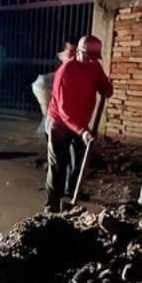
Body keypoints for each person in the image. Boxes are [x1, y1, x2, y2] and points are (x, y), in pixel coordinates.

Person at [45, 35, 113, 212]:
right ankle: (52, 206)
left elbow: (103, 86)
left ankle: (72, 191)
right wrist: (82, 131)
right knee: (58, 166)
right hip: (59, 124)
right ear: (79, 52)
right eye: (88, 56)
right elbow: (65, 111)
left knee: (80, 160)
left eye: (94, 57)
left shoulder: (94, 66)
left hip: (80, 124)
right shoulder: (65, 71)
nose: (91, 60)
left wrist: (107, 87)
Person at [31, 41, 77, 134]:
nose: (72, 53)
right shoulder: (62, 58)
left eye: (74, 50)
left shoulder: (76, 61)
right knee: (49, 112)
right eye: (70, 49)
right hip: (52, 86)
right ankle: (47, 126)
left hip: (61, 88)